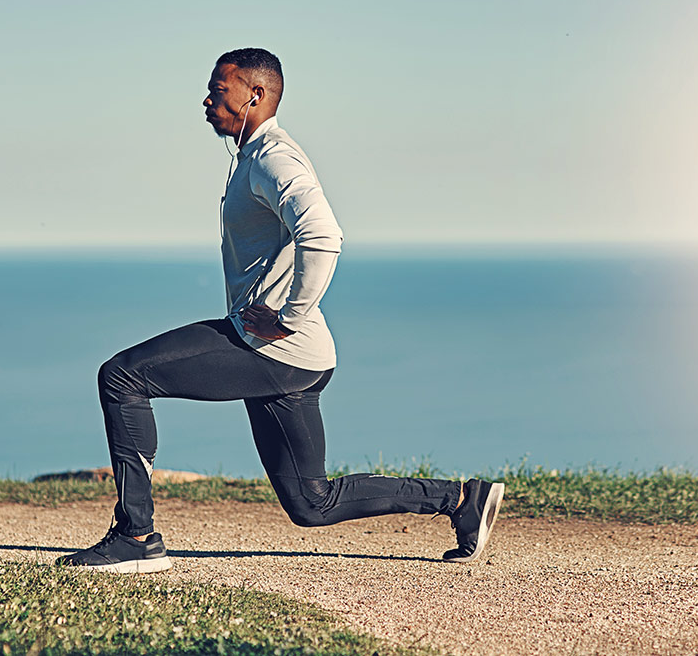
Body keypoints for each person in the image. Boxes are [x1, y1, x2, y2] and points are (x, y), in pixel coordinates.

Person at [57, 48, 504, 573]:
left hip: (274, 346)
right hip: (295, 357)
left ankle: (136, 537)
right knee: (311, 504)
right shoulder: (251, 156)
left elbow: (323, 234)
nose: (206, 99)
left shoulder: (274, 158)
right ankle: (460, 500)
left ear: (256, 95)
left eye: (218, 89)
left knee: (122, 378)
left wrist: (289, 317)